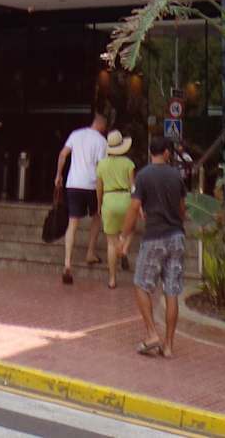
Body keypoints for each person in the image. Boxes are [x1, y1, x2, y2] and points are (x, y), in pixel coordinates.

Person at [118, 134, 187, 358]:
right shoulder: (176, 176)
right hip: (176, 236)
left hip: (154, 236)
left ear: (151, 152)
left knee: (141, 284)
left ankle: (151, 333)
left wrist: (124, 235)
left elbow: (134, 207)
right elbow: (182, 209)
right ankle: (169, 345)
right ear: (166, 153)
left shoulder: (144, 176)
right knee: (171, 291)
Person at [54, 110, 108, 284]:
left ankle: (67, 264)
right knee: (97, 215)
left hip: (73, 183)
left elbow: (63, 154)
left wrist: (59, 175)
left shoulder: (75, 134)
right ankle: (90, 252)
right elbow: (101, 167)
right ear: (101, 125)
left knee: (73, 224)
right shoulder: (101, 141)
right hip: (91, 185)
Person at [95, 128, 135, 289]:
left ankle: (112, 279)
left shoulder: (101, 164)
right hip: (125, 199)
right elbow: (133, 186)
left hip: (109, 199)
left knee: (110, 243)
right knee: (130, 229)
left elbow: (99, 187)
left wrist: (99, 204)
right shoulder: (128, 163)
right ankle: (124, 248)